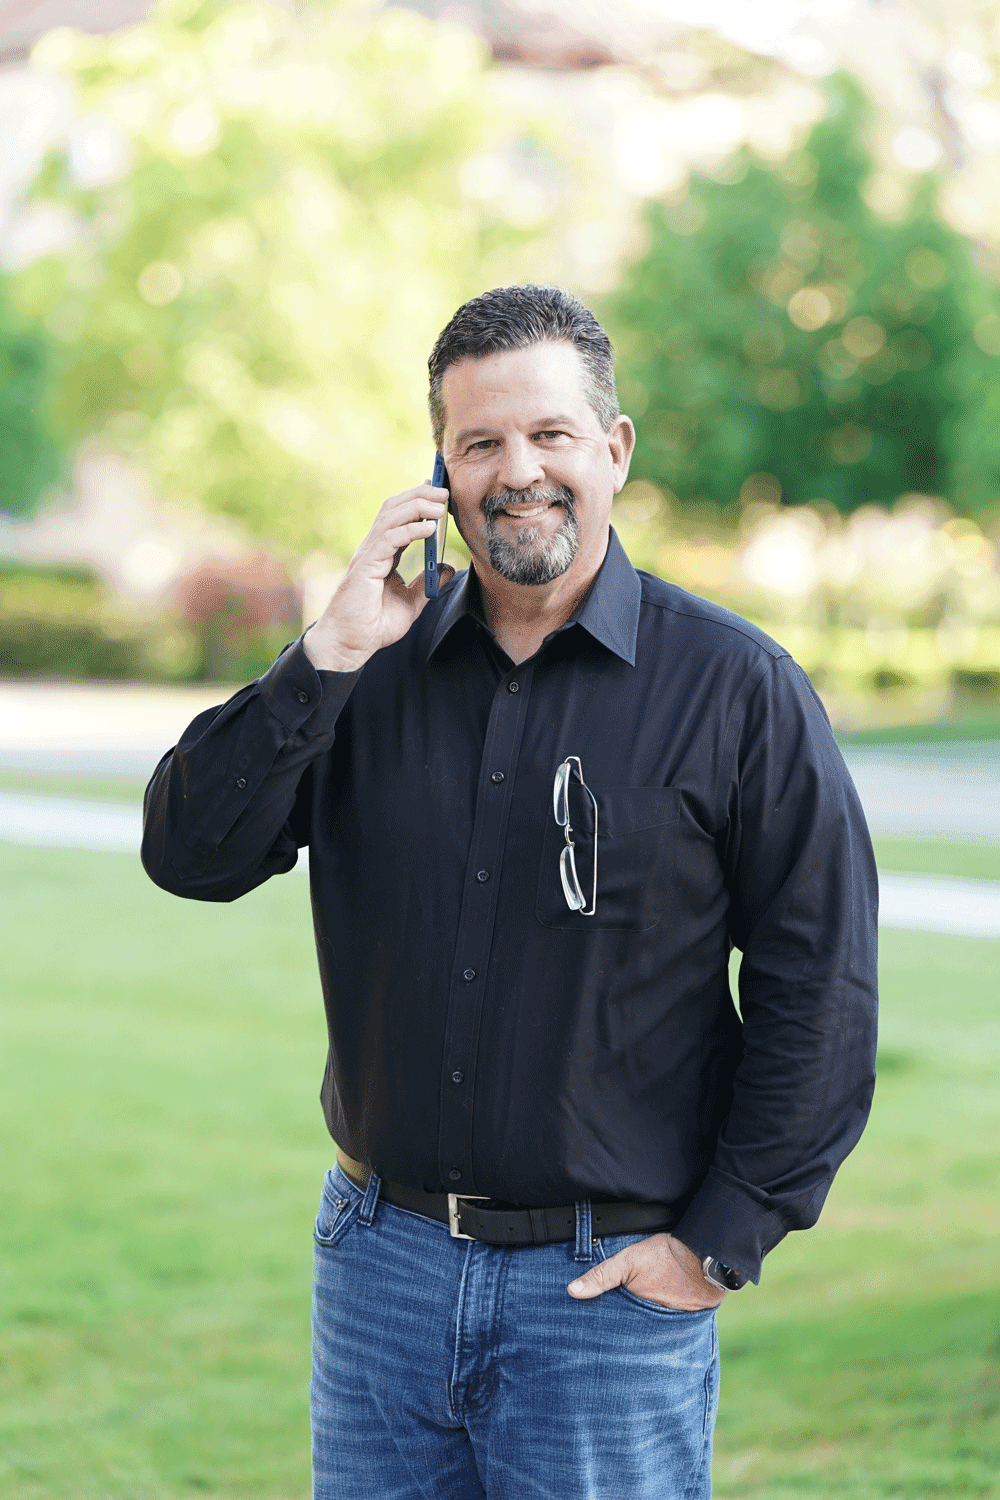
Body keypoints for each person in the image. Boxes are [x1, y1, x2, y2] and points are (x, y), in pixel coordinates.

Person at [142, 284, 879, 1500]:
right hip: (380, 1272)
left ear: (614, 450)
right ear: (439, 468)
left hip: (603, 1300)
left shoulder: (739, 691)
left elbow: (823, 989)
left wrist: (715, 1246)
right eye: (479, 442)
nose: (516, 470)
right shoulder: (364, 667)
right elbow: (192, 855)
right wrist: (324, 655)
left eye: (548, 435)